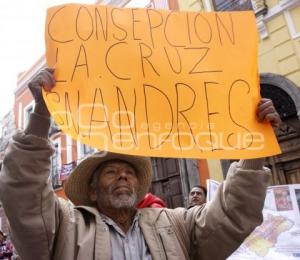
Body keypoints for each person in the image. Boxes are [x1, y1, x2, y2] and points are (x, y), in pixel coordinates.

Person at [0, 68, 281, 260]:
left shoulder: (175, 223)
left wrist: (255, 145)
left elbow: (232, 214)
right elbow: (24, 195)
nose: (122, 176)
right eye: (111, 172)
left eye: (129, 173)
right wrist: (40, 115)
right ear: (93, 191)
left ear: (139, 187)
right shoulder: (66, 225)